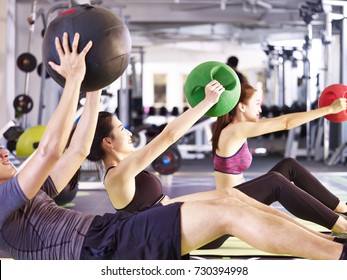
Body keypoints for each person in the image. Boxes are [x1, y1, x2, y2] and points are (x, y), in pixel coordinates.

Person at [1, 34, 347, 261]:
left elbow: (76, 151)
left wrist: (94, 84)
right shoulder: (4, 200)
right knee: (228, 210)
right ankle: (339, 256)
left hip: (106, 232)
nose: (4, 152)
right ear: (108, 143)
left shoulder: (34, 195)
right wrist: (73, 81)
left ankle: (335, 245)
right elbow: (48, 151)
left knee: (230, 200)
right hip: (98, 249)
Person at [87, 76, 347, 253]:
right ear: (108, 142)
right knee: (266, 188)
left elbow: (168, 204)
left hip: (180, 221)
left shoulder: (126, 173)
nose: (129, 132)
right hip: (177, 234)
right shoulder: (117, 176)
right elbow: (168, 136)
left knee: (237, 197)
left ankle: (327, 236)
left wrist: (226, 195)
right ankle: (337, 232)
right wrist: (207, 102)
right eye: (122, 129)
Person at [211, 83, 347, 237]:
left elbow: (283, 119)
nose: (260, 109)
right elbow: (286, 123)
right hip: (232, 207)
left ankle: (342, 208)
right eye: (257, 104)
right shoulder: (235, 130)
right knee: (275, 181)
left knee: (289, 165)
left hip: (240, 199)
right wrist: (329, 109)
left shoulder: (238, 128)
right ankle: (341, 225)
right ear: (242, 107)